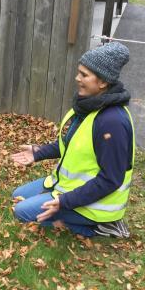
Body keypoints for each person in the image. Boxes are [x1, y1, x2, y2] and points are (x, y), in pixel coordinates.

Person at [11, 42, 134, 238]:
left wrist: (64, 202)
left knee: (22, 212)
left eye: (84, 75)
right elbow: (70, 144)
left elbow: (111, 179)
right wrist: (38, 153)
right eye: (79, 72)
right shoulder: (86, 106)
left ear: (103, 82)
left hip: (97, 205)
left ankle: (103, 227)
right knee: (17, 195)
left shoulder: (112, 122)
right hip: (68, 187)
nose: (77, 78)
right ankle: (62, 213)